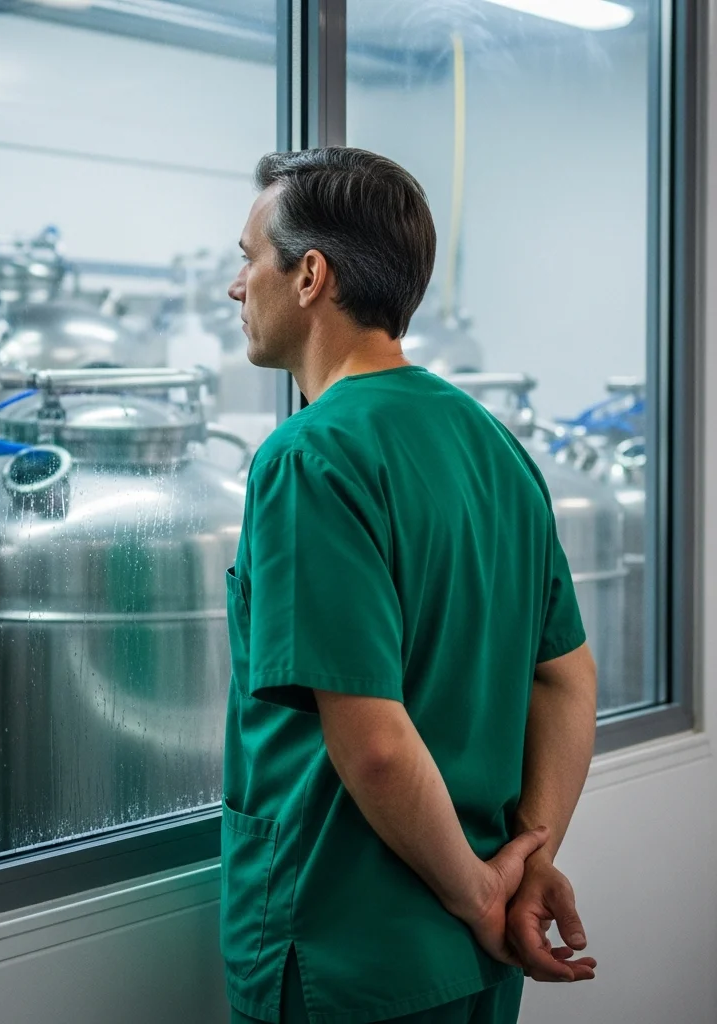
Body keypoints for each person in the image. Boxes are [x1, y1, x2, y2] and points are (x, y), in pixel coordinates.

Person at [221, 147, 599, 1024]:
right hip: (472, 961)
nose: (237, 287)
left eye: (248, 258)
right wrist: (527, 865)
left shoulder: (309, 457)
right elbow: (567, 676)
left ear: (310, 275)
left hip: (345, 954)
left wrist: (477, 893)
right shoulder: (494, 446)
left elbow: (378, 744)